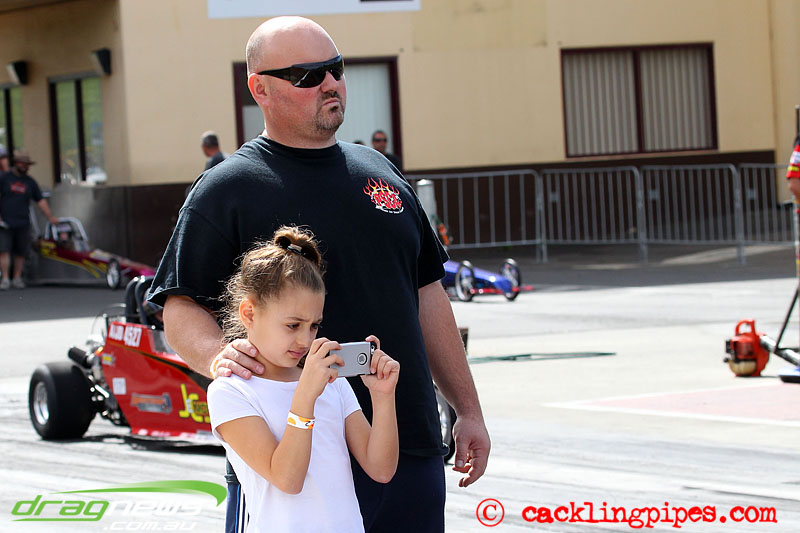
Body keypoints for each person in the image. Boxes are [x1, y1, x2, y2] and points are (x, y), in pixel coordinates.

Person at [148, 16, 489, 533]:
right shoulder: (226, 189)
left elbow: (427, 294)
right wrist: (218, 355)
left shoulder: (381, 172)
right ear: (260, 89)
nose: (329, 83)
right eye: (307, 75)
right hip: (289, 462)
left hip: (403, 446)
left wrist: (468, 409)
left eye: (336, 68)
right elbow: (179, 305)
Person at [208, 225, 400, 533]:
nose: (305, 339)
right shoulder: (231, 390)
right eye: (293, 325)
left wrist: (383, 396)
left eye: (313, 326)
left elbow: (381, 470)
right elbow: (287, 479)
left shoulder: (332, 380)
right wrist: (306, 396)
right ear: (249, 314)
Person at [0, 150, 57, 290]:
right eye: (22, 163)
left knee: (21, 251)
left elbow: (40, 200)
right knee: (4, 250)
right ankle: (5, 278)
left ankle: (17, 277)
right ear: (16, 163)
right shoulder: (5, 178)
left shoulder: (30, 182)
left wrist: (50, 217)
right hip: (5, 221)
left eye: (26, 164)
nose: (25, 166)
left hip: (23, 221)